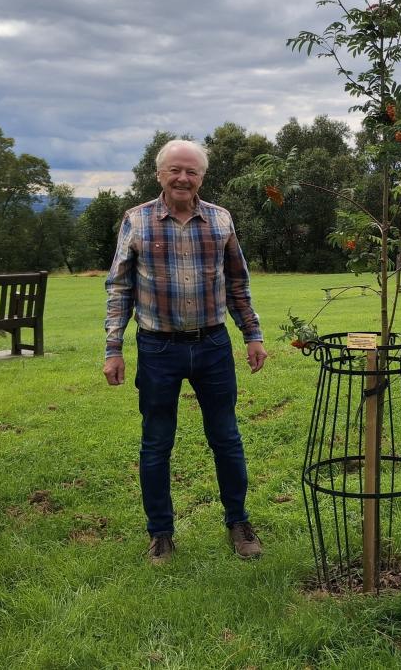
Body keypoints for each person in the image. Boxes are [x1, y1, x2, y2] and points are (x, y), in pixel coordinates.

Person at [103, 139, 269, 564]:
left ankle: (238, 522)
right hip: (158, 347)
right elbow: (119, 288)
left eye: (191, 171)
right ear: (159, 174)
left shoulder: (220, 219)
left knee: (226, 437)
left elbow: (237, 283)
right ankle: (160, 533)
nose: (182, 178)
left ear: (202, 177)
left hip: (213, 345)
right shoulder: (137, 220)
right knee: (156, 442)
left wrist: (252, 335)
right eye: (174, 170)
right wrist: (113, 347)